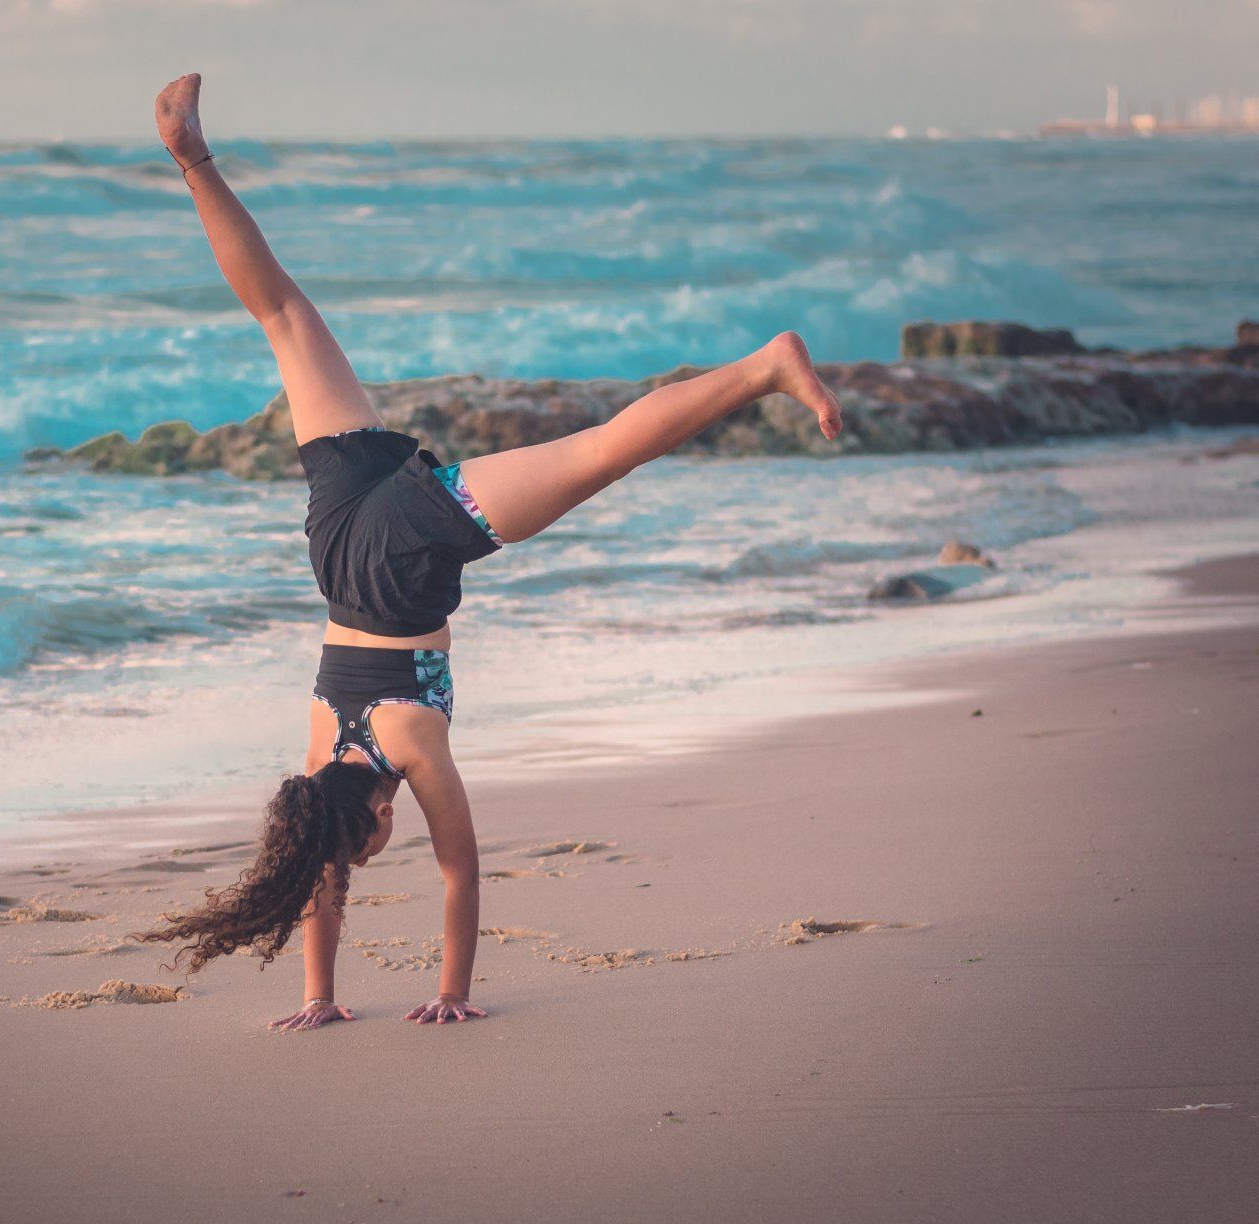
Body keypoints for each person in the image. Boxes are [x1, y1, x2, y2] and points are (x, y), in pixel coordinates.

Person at [132, 74, 842, 1030]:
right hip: (337, 548)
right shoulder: (316, 758)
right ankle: (192, 160)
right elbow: (320, 873)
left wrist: (452, 994)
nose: (363, 855)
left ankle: (764, 367)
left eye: (365, 846)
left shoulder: (408, 747)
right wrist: (318, 999)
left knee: (600, 454)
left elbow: (459, 870)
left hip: (401, 560)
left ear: (375, 817)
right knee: (285, 319)